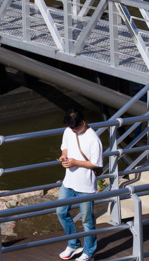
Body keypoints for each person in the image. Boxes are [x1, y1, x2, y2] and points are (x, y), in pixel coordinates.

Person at [55, 111, 104, 261]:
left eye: (76, 128)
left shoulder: (93, 139)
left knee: (87, 221)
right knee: (61, 212)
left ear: (83, 123)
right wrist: (64, 156)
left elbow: (96, 163)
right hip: (68, 181)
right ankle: (74, 244)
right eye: (71, 128)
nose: (73, 131)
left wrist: (75, 162)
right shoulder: (69, 130)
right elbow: (65, 147)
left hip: (86, 185)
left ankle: (89, 252)